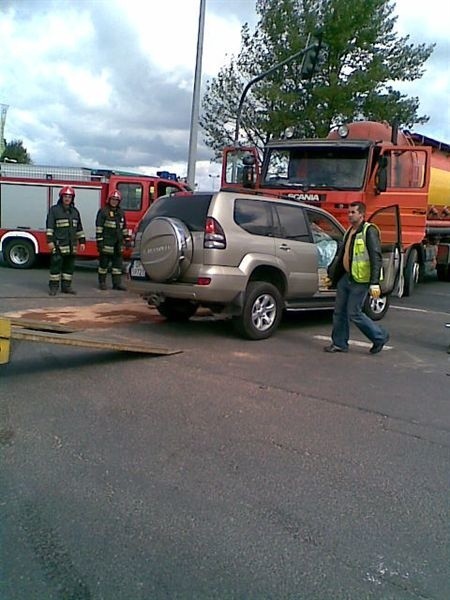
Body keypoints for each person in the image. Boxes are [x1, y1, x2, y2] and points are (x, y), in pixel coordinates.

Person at [324, 201, 389, 354]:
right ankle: (339, 343)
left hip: (361, 279)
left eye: (353, 212)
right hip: (347, 277)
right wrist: (332, 276)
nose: (350, 215)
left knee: (354, 313)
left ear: (361, 214)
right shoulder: (349, 231)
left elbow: (376, 257)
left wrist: (374, 283)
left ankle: (379, 337)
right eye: (349, 212)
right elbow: (342, 256)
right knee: (339, 311)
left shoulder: (369, 231)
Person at [46, 186, 85, 296]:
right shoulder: (54, 210)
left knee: (69, 268)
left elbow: (79, 228)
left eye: (69, 197)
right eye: (65, 196)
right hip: (58, 245)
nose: (67, 199)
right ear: (61, 197)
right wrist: (50, 241)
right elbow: (50, 227)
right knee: (55, 267)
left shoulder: (75, 212)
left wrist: (82, 241)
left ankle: (66, 287)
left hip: (71, 246)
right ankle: (53, 287)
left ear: (72, 198)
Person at [95, 189, 130, 291]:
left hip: (118, 244)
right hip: (106, 243)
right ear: (109, 200)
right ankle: (102, 282)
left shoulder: (121, 213)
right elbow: (99, 228)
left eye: (116, 200)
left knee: (117, 266)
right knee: (103, 265)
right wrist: (100, 242)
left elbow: (124, 228)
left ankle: (117, 283)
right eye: (113, 199)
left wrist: (126, 239)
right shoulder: (103, 212)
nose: (114, 201)